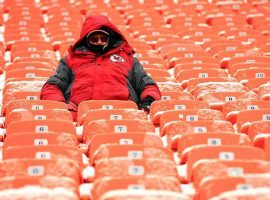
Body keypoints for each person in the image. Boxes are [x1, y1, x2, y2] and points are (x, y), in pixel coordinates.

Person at [40, 15, 161, 121]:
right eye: (94, 39)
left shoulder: (128, 59)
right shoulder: (70, 60)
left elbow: (147, 85)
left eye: (103, 39)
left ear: (110, 38)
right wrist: (61, 106)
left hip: (125, 116)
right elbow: (52, 87)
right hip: (81, 118)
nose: (99, 42)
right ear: (86, 40)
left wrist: (148, 102)